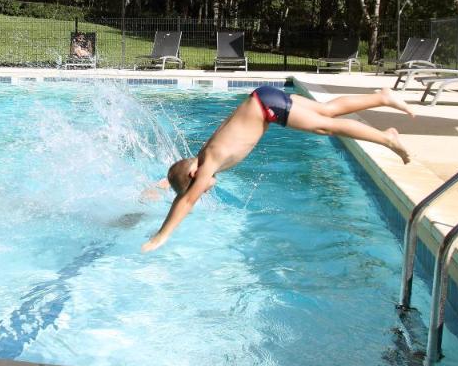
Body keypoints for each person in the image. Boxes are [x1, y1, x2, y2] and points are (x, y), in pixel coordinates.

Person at [141, 86, 414, 253]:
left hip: (267, 108)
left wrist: (161, 236)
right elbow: (179, 182)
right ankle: (381, 97)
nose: (204, 187)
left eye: (199, 185)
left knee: (325, 126)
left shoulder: (208, 164)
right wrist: (160, 185)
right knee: (326, 110)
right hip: (262, 98)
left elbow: (186, 200)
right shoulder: (201, 158)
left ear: (193, 176)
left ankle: (387, 137)